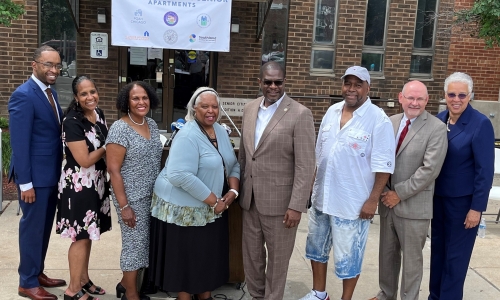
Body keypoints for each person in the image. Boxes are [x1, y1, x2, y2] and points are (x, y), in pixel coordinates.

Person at [299, 66, 395, 300]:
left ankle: (346, 298)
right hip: (322, 198)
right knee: (316, 249)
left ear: (368, 88)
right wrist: (311, 188)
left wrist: (372, 201)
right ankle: (319, 293)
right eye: (348, 83)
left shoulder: (378, 119)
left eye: (358, 84)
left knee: (349, 257)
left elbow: (384, 166)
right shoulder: (332, 112)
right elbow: (319, 153)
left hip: (352, 203)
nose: (351, 89)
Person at [148, 87, 240, 300]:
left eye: (215, 106)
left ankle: (204, 295)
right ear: (193, 109)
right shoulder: (187, 134)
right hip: (184, 209)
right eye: (204, 106)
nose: (211, 111)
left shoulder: (219, 130)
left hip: (211, 207)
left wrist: (233, 191)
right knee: (187, 261)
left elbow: (233, 163)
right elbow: (179, 175)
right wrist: (214, 201)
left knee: (205, 258)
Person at [239, 61, 316, 299]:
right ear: (260, 82)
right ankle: (256, 295)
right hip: (250, 200)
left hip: (282, 205)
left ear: (284, 82)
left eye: (278, 82)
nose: (274, 86)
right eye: (268, 82)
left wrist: (296, 205)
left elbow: (306, 165)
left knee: (278, 262)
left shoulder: (300, 114)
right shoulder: (250, 109)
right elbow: (245, 154)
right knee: (251, 257)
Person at [369, 81, 447, 300]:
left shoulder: (436, 128)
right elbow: (378, 157)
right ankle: (386, 294)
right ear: (400, 98)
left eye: (420, 99)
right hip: (386, 202)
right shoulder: (389, 122)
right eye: (410, 98)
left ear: (427, 101)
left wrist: (398, 193)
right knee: (387, 255)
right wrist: (383, 190)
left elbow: (430, 170)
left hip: (413, 206)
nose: (415, 103)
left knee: (412, 261)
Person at [429, 72, 495, 300]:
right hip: (437, 201)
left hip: (463, 206)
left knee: (455, 259)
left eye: (462, 95)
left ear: (470, 97)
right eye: (451, 94)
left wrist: (477, 208)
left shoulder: (480, 124)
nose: (456, 99)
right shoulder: (438, 120)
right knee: (438, 254)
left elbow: (484, 172)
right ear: (445, 95)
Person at [8, 45, 67, 300]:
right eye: (48, 65)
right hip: (35, 178)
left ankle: (37, 271)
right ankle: (27, 282)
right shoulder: (24, 95)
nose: (54, 70)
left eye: (57, 65)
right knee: (32, 229)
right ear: (34, 65)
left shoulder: (50, 92)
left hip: (50, 174)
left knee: (42, 228)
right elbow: (19, 144)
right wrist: (25, 184)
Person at [55, 76, 111, 300]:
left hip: (96, 183)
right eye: (84, 94)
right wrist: (109, 146)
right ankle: (72, 290)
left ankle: (83, 280)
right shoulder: (72, 121)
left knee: (88, 235)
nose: (90, 97)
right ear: (76, 97)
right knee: (80, 237)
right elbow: (85, 160)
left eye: (93, 92)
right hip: (78, 186)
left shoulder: (99, 115)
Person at [106, 81, 163, 300]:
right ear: (126, 102)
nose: (141, 102)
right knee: (134, 246)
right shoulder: (120, 128)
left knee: (144, 245)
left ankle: (125, 283)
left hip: (153, 197)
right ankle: (131, 294)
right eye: (135, 98)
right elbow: (114, 170)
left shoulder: (151, 123)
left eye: (144, 97)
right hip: (131, 198)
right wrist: (124, 206)